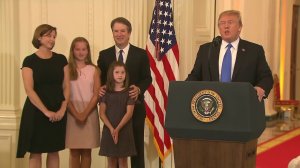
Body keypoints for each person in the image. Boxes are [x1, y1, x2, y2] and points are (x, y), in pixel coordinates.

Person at [97, 17, 152, 168]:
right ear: (112, 33)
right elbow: (100, 80)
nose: (119, 34)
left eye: (123, 31)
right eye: (116, 31)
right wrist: (100, 88)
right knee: (114, 150)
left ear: (129, 33)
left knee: (136, 148)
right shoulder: (104, 55)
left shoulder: (141, 54)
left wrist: (139, 89)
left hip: (135, 108)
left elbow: (148, 78)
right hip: (112, 110)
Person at [186, 10, 273, 100]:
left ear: (240, 27)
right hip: (212, 105)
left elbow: (266, 77)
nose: (226, 26)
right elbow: (195, 76)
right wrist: (183, 88)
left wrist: (261, 88)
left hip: (242, 103)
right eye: (222, 23)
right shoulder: (206, 50)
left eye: (230, 22)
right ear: (219, 27)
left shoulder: (254, 50)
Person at [16, 24, 70, 168]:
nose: (52, 39)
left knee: (54, 150)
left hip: (58, 109)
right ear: (39, 37)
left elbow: (66, 87)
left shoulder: (61, 59)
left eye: (54, 37)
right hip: (36, 111)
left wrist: (62, 109)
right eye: (48, 36)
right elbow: (29, 90)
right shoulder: (29, 61)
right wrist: (46, 111)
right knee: (35, 151)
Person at [65, 37, 100, 168]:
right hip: (71, 111)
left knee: (86, 151)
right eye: (77, 49)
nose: (81, 52)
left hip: (89, 111)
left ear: (88, 51)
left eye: (84, 49)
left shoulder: (94, 70)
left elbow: (96, 94)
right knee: (73, 151)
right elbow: (65, 95)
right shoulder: (67, 69)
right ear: (72, 51)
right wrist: (76, 114)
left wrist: (84, 114)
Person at [99, 61, 136, 168]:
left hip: (124, 130)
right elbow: (102, 113)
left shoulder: (130, 92)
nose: (120, 75)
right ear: (111, 74)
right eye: (117, 72)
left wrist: (117, 129)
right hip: (109, 130)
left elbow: (129, 113)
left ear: (126, 74)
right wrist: (112, 129)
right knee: (111, 161)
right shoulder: (105, 91)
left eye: (122, 72)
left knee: (123, 161)